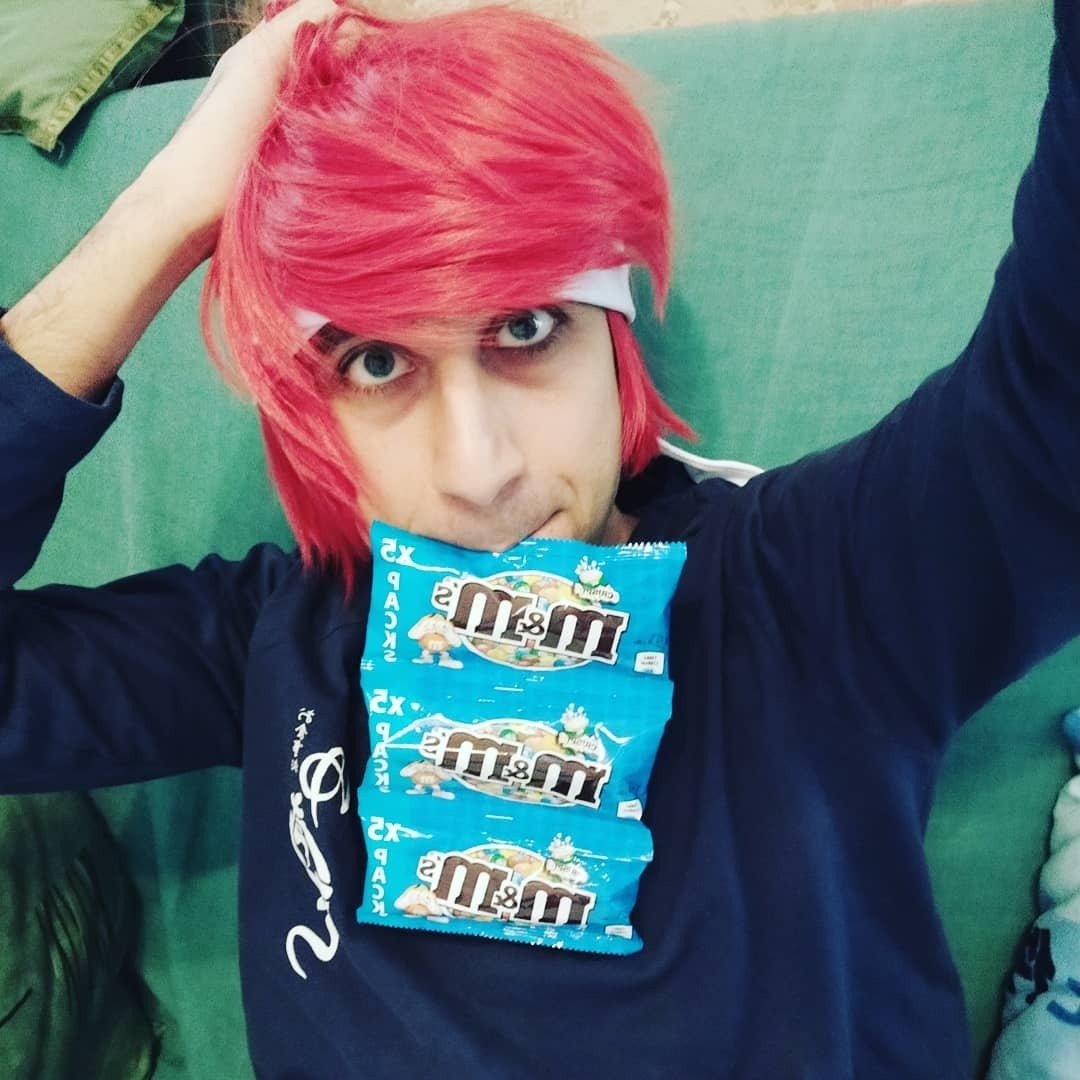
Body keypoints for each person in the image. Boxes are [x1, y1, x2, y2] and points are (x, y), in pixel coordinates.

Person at [0, 0, 1077, 1075]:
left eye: (525, 328)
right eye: (376, 363)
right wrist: (167, 211)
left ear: (612, 337)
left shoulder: (817, 592)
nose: (480, 473)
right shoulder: (278, 636)